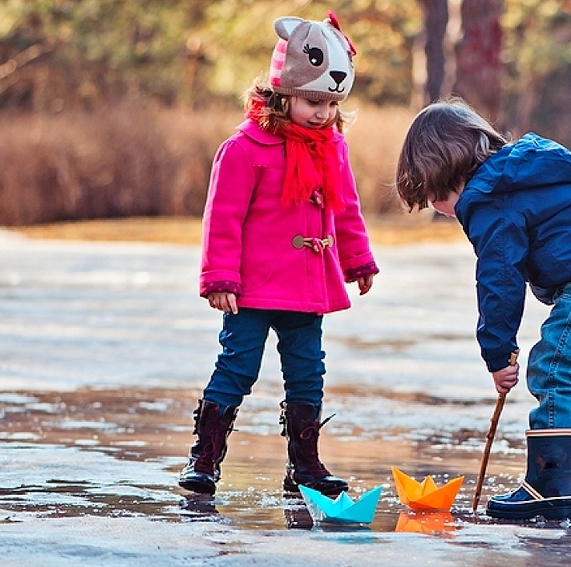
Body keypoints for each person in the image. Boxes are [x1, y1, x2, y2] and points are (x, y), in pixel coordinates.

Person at [394, 98, 571, 521]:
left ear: (441, 173)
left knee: (552, 369)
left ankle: (550, 486)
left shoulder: (489, 198)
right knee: (569, 376)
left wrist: (497, 353)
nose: (438, 210)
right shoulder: (523, 175)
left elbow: (499, 278)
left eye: (431, 199)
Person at [178, 12, 378, 498]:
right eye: (313, 101)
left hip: (308, 287)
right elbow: (222, 216)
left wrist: (357, 259)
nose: (323, 113)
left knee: (308, 372)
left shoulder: (332, 147)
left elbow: (344, 206)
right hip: (252, 288)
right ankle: (204, 459)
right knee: (237, 368)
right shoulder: (245, 147)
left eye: (332, 103)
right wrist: (220, 277)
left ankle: (304, 466)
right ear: (281, 90)